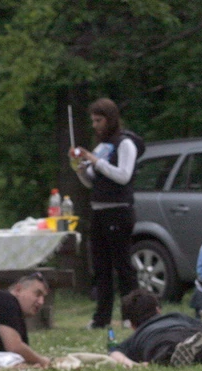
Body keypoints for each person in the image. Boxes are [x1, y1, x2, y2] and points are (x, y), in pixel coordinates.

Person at [69, 97, 142, 329]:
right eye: (92, 120)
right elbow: (91, 182)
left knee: (123, 266)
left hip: (119, 211)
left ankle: (131, 315)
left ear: (110, 119)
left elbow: (123, 175)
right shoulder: (101, 147)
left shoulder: (125, 144)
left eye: (99, 120)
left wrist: (94, 160)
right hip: (98, 211)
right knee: (100, 268)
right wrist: (80, 168)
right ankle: (102, 318)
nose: (95, 125)